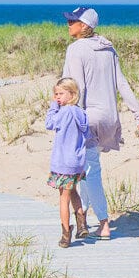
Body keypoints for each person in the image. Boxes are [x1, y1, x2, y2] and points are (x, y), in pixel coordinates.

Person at [62, 7, 139, 240]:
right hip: (110, 117)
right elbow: (123, 84)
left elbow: (75, 87)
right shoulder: (108, 48)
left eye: (73, 21)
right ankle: (85, 216)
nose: (68, 24)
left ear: (84, 25)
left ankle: (104, 222)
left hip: (88, 117)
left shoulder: (76, 49)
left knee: (91, 171)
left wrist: (69, 119)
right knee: (88, 169)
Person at [45, 77, 89, 248]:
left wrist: (53, 108)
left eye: (61, 94)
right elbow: (87, 132)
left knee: (64, 197)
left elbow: (49, 124)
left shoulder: (64, 112)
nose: (57, 98)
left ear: (72, 94)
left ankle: (65, 233)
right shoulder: (80, 112)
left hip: (63, 163)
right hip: (77, 163)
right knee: (73, 192)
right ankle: (82, 224)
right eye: (55, 94)